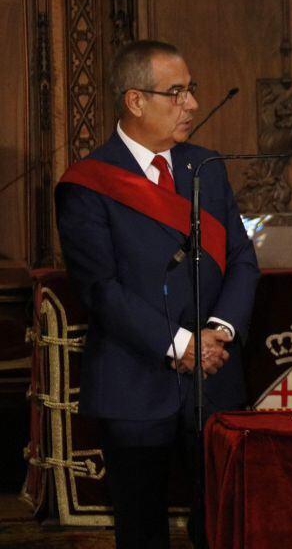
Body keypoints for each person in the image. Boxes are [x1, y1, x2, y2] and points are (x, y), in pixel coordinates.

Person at [54, 40, 259, 549]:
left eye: (191, 91)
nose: (190, 104)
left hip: (215, 379)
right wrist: (179, 344)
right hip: (135, 379)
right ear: (135, 100)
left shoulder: (206, 167)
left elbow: (242, 260)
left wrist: (219, 331)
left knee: (222, 525)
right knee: (142, 528)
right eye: (177, 92)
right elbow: (101, 290)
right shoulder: (87, 183)